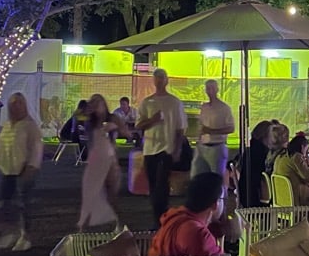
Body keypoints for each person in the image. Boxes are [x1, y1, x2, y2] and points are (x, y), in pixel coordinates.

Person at [0, 92, 43, 251]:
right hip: (8, 171)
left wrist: (32, 167)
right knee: (1, 203)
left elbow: (36, 149)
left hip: (24, 171)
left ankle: (25, 237)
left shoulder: (30, 126)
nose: (16, 107)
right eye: (13, 104)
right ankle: (9, 232)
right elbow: (0, 148)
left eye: (19, 103)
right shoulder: (6, 126)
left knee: (23, 204)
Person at [136, 68, 188, 225]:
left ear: (167, 80)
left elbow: (180, 129)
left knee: (161, 184)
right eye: (156, 78)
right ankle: (158, 217)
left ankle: (162, 219)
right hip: (150, 149)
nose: (159, 80)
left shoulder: (174, 102)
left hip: (167, 149)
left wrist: (177, 149)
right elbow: (139, 125)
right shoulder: (147, 102)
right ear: (153, 81)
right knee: (153, 185)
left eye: (162, 77)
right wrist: (153, 119)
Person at [78, 93, 130, 230]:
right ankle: (82, 227)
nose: (96, 107)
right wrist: (87, 110)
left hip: (110, 161)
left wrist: (116, 127)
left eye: (98, 104)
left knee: (111, 195)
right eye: (93, 104)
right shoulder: (90, 121)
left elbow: (127, 133)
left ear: (104, 105)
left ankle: (119, 223)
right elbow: (77, 116)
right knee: (90, 194)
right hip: (95, 161)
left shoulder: (113, 118)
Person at [191, 79, 235, 181]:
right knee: (196, 176)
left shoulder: (224, 108)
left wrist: (211, 131)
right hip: (202, 146)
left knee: (216, 178)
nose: (209, 91)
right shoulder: (204, 107)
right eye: (208, 88)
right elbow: (201, 126)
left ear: (217, 89)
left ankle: (219, 196)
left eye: (212, 88)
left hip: (217, 147)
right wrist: (199, 140)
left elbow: (231, 128)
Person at [273, 134, 309, 204]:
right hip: (294, 197)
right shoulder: (296, 157)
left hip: (281, 197)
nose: (306, 153)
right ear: (302, 147)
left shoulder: (280, 156)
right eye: (306, 149)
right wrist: (308, 165)